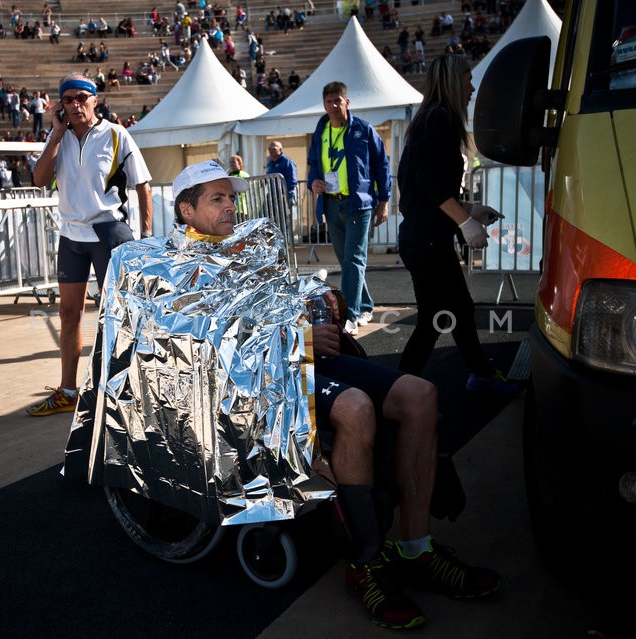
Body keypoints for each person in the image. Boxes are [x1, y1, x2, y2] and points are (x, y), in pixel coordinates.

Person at [152, 160, 502, 629]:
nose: (231, 206)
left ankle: (416, 548)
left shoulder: (246, 244)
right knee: (356, 408)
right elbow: (208, 346)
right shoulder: (176, 268)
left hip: (304, 355)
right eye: (217, 199)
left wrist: (319, 302)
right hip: (260, 380)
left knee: (421, 394)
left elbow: (278, 303)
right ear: (186, 210)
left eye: (231, 196)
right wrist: (299, 340)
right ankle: (365, 563)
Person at [27, 72, 153, 416]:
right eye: (68, 100)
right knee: (69, 314)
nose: (76, 105)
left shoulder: (116, 134)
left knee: (119, 315)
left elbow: (143, 186)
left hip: (109, 233)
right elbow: (40, 179)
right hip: (71, 236)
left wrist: (145, 237)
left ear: (95, 100)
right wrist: (56, 134)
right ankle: (69, 391)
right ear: (61, 106)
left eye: (82, 97)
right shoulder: (59, 137)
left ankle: (128, 392)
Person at [396, 54, 518, 395]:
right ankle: (399, 391)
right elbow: (430, 183)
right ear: (453, 81)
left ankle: (479, 376)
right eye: (468, 79)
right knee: (438, 319)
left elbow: (426, 188)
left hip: (425, 239)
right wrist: (465, 221)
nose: (472, 88)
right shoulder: (440, 119)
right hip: (427, 242)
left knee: (453, 313)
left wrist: (471, 210)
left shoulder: (429, 119)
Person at [306, 81, 391, 334]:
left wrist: (384, 201)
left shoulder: (363, 130)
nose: (333, 105)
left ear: (347, 102)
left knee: (354, 259)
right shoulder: (321, 131)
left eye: (338, 101)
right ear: (324, 105)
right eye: (329, 101)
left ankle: (350, 315)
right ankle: (365, 305)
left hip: (359, 204)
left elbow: (382, 165)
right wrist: (313, 182)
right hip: (331, 204)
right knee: (347, 261)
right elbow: (313, 164)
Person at [265, 140, 297, 211]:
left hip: (283, 196)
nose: (271, 151)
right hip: (272, 196)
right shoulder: (270, 163)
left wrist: (286, 194)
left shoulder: (287, 162)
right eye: (269, 149)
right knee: (265, 214)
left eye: (274, 149)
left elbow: (292, 180)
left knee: (284, 216)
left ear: (280, 149)